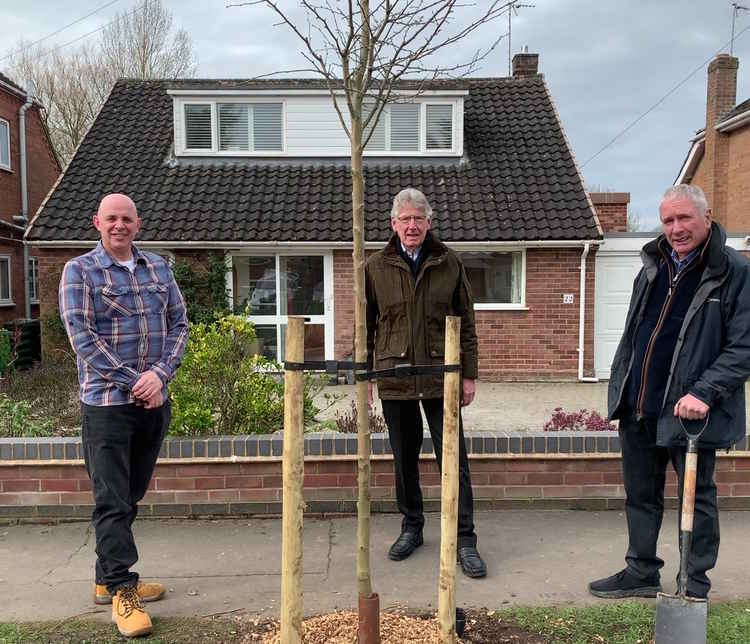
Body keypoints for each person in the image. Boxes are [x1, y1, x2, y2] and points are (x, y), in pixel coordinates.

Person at [589, 184, 750, 600]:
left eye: (684, 218)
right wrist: (622, 383)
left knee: (697, 500)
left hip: (691, 411)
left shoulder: (733, 270)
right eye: (668, 220)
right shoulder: (654, 264)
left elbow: (743, 345)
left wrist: (705, 392)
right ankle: (641, 571)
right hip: (640, 403)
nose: (676, 228)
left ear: (707, 216)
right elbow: (635, 333)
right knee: (641, 495)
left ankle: (693, 583)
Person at [59, 193, 188, 637]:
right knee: (111, 500)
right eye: (111, 218)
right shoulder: (79, 271)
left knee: (128, 496)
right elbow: (83, 339)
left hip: (154, 403)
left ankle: (104, 580)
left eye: (127, 219)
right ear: (97, 222)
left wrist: (160, 375)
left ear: (138, 223)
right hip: (108, 407)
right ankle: (122, 590)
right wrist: (138, 380)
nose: (119, 225)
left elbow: (179, 326)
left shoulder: (159, 268)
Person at [365, 187, 486, 578]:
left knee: (453, 459)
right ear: (393, 224)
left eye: (419, 218)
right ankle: (412, 527)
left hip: (440, 375)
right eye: (405, 219)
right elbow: (367, 325)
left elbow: (466, 320)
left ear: (429, 222)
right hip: (394, 374)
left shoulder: (449, 262)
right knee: (404, 458)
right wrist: (367, 373)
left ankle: (464, 539)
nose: (412, 225)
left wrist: (469, 374)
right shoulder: (374, 267)